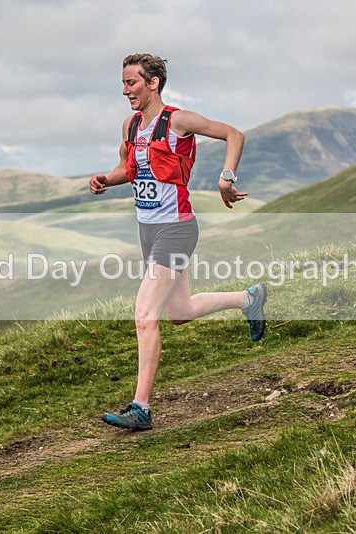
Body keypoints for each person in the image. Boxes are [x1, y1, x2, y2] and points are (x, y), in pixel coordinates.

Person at [89, 53, 267, 431]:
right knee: (179, 312)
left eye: (132, 83)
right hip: (148, 230)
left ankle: (141, 408)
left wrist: (226, 178)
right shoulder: (130, 126)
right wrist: (106, 179)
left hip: (177, 228)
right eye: (123, 84)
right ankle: (249, 299)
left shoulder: (178, 121)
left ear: (153, 83)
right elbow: (129, 169)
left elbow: (234, 134)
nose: (125, 91)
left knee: (144, 316)